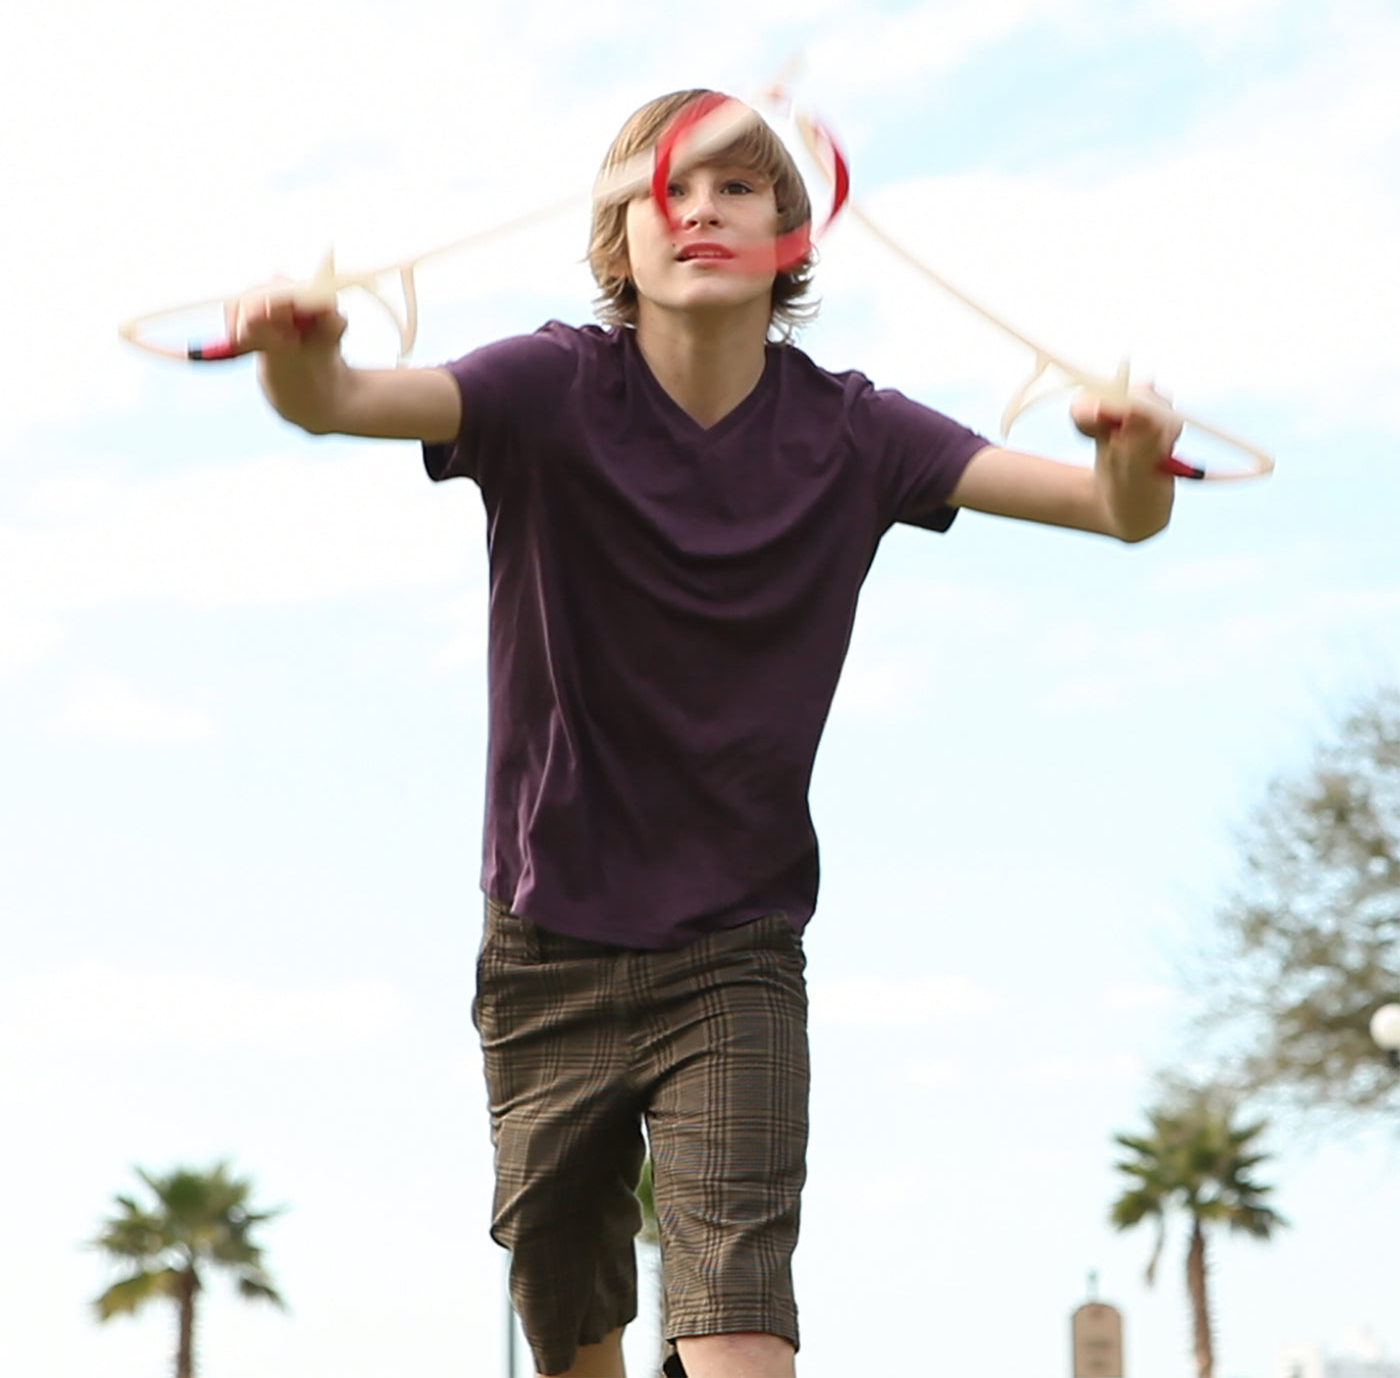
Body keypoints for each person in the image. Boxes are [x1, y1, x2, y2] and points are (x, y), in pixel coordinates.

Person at [235, 89, 1178, 1378]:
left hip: (735, 951)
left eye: (735, 187)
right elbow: (331, 398)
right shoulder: (546, 387)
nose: (698, 209)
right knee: (575, 1335)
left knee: (737, 1323)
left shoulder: (856, 432)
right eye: (664, 190)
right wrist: (297, 344)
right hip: (544, 941)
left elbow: (1119, 515)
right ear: (616, 242)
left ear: (792, 238)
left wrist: (1133, 450)